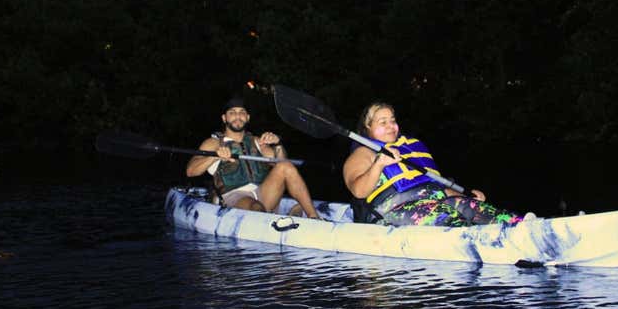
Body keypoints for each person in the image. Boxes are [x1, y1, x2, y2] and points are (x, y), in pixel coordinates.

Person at [343, 102, 524, 227]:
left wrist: (467, 197)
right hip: (392, 211)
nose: (391, 125)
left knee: (475, 208)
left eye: (393, 120)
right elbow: (358, 191)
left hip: (432, 200)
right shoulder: (362, 153)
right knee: (447, 216)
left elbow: (432, 187)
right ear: (367, 128)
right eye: (383, 122)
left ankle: (522, 226)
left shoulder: (408, 149)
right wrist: (379, 164)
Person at [186, 96, 321, 219]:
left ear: (248, 117)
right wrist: (215, 157)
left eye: (242, 112)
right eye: (232, 112)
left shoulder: (257, 141)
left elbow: (280, 164)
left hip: (263, 193)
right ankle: (269, 216)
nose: (237, 116)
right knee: (256, 207)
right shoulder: (213, 143)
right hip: (235, 196)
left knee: (286, 166)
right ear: (224, 118)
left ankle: (313, 216)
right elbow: (191, 171)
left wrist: (278, 144)